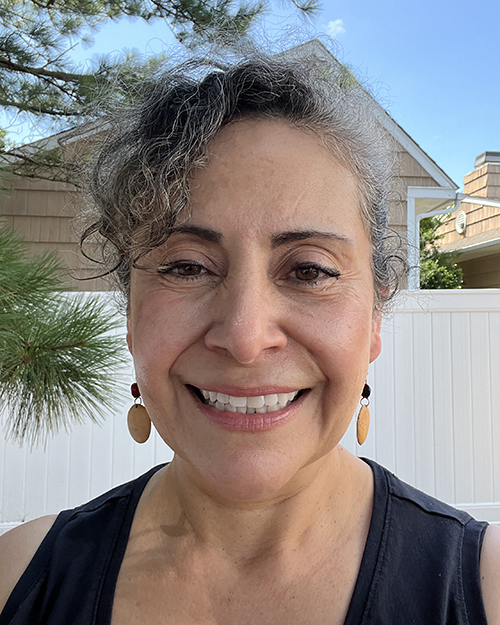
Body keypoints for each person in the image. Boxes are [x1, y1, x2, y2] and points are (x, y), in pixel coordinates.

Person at [1, 45, 500, 625]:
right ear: (131, 316)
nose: (244, 336)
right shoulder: (17, 580)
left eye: (308, 270)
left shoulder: (487, 591)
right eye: (186, 266)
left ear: (374, 320)